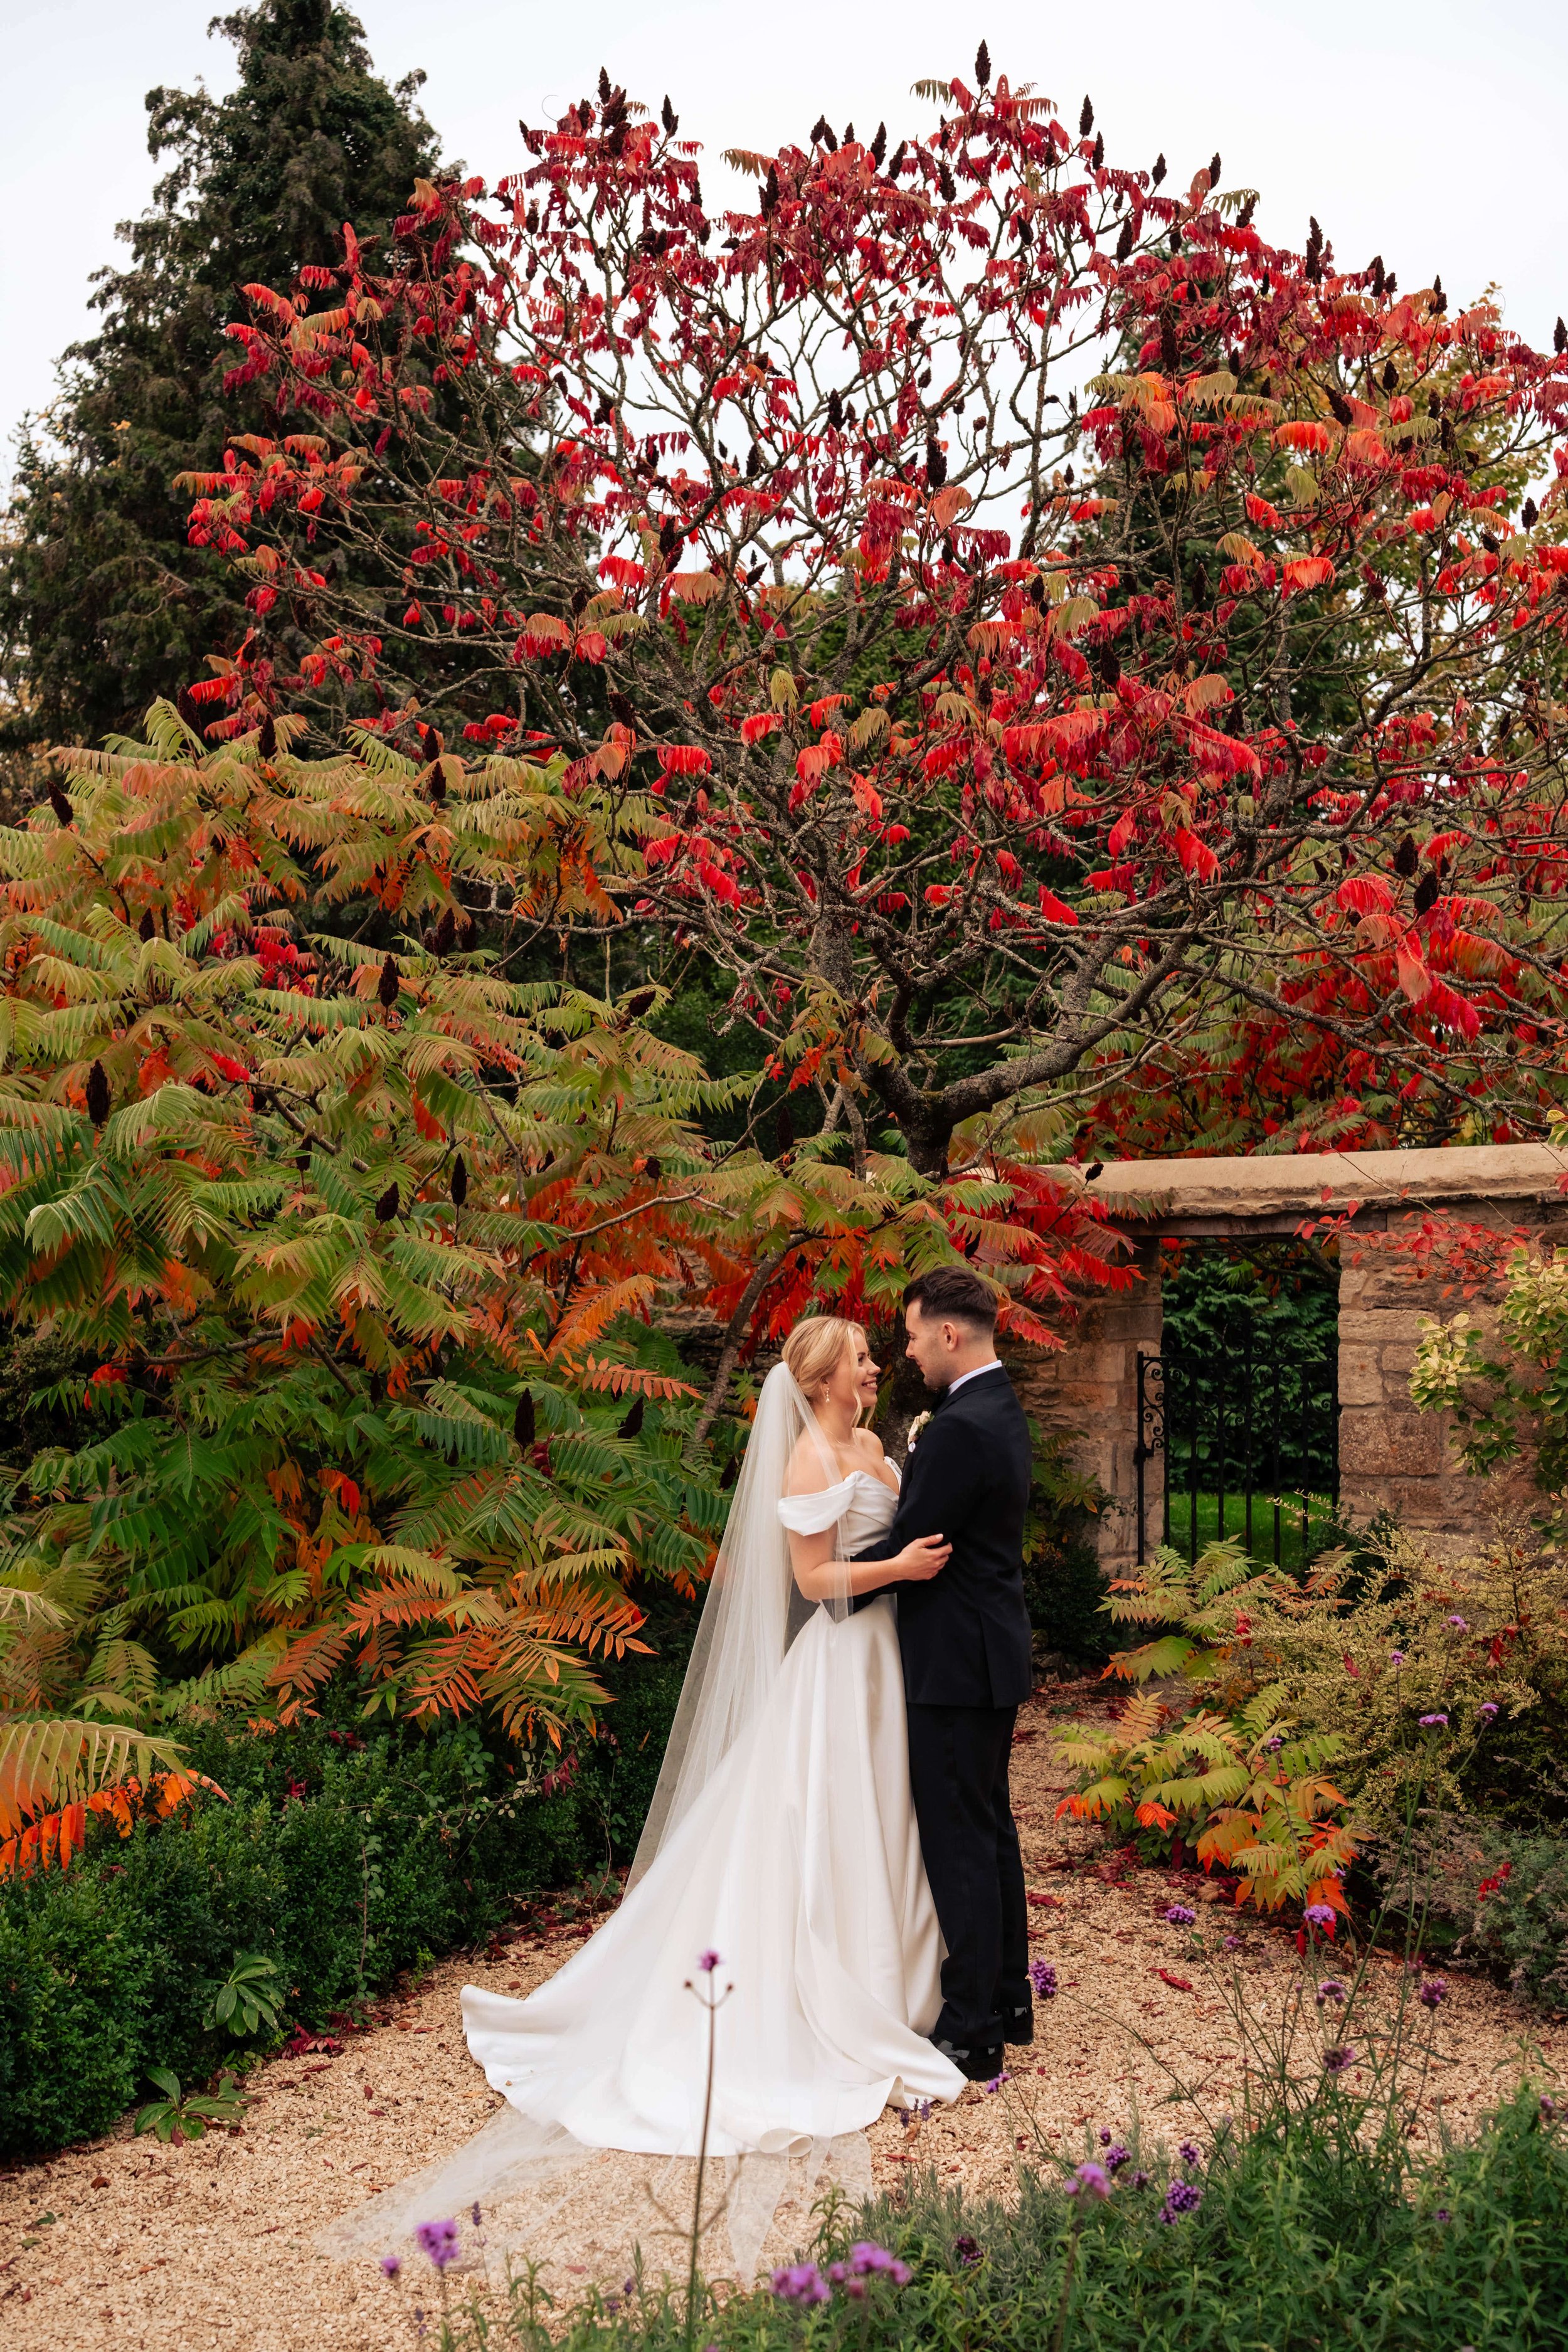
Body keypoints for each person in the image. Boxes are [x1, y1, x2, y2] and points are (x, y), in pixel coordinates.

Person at [317, 1316, 971, 2279]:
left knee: (887, 1821)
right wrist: (901, 1569)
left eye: (877, 1355)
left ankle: (907, 1983)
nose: (877, 1366)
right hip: (842, 1657)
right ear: (826, 1376)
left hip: (890, 1661)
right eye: (862, 1358)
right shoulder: (804, 1457)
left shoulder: (873, 1443)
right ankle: (844, 1990)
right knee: (823, 1826)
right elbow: (813, 1575)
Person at [854, 1265, 1035, 2083]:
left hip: (954, 1662)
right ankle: (1006, 2000)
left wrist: (814, 1588)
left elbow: (913, 1545)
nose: (909, 1351)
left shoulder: (961, 1425)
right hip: (985, 1650)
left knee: (961, 1842)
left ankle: (971, 2029)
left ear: (951, 1334)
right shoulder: (993, 1405)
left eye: (916, 1334)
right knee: (990, 1831)